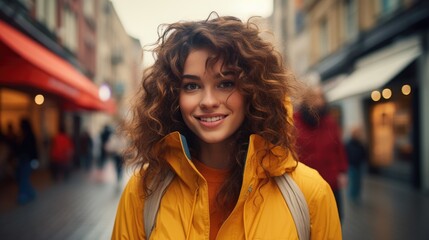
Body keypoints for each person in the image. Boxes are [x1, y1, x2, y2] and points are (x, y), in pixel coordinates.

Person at [112, 14, 342, 239]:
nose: (209, 101)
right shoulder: (143, 192)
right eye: (192, 86)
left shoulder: (309, 194)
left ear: (252, 90)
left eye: (225, 83)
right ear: (172, 96)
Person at [294, 86, 348, 221]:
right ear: (306, 100)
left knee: (334, 219)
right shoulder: (294, 121)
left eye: (320, 97)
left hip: (330, 181)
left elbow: (338, 148)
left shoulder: (330, 122)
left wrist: (342, 171)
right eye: (314, 97)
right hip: (305, 186)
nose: (318, 101)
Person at [16, 118, 38, 204]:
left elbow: (33, 149)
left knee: (23, 177)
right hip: (23, 159)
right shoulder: (23, 135)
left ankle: (24, 195)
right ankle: (30, 193)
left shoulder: (29, 136)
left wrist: (35, 160)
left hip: (27, 160)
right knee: (23, 177)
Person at [345, 125, 367, 204]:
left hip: (359, 164)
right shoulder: (349, 143)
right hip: (352, 165)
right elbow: (345, 153)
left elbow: (364, 153)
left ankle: (356, 195)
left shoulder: (360, 144)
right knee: (353, 181)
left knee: (358, 181)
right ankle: (352, 196)